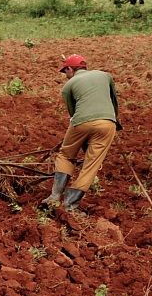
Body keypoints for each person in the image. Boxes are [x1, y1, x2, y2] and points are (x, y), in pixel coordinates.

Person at [43, 54, 121, 211]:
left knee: (65, 155)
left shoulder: (68, 86)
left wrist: (82, 135)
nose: (66, 75)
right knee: (91, 164)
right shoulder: (105, 76)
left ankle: (55, 196)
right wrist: (114, 121)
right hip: (108, 123)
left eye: (65, 71)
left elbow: (73, 114)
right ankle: (70, 205)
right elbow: (113, 101)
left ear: (70, 69)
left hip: (81, 122)